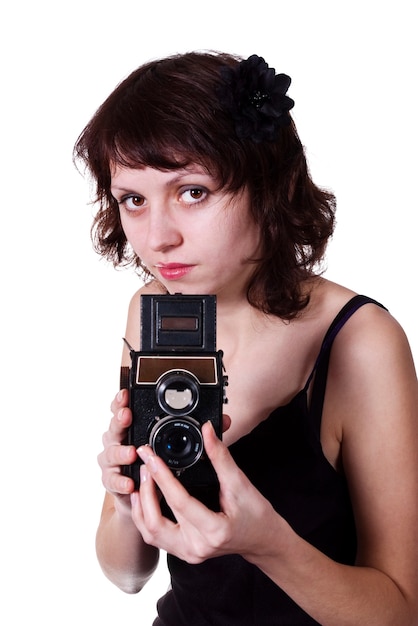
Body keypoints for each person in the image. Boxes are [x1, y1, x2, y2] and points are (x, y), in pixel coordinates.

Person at [74, 51, 418, 625]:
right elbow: (127, 575)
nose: (157, 238)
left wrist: (267, 543)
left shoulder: (360, 341)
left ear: (270, 184)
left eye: (192, 192)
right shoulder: (154, 312)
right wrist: (125, 503)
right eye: (133, 199)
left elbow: (402, 613)